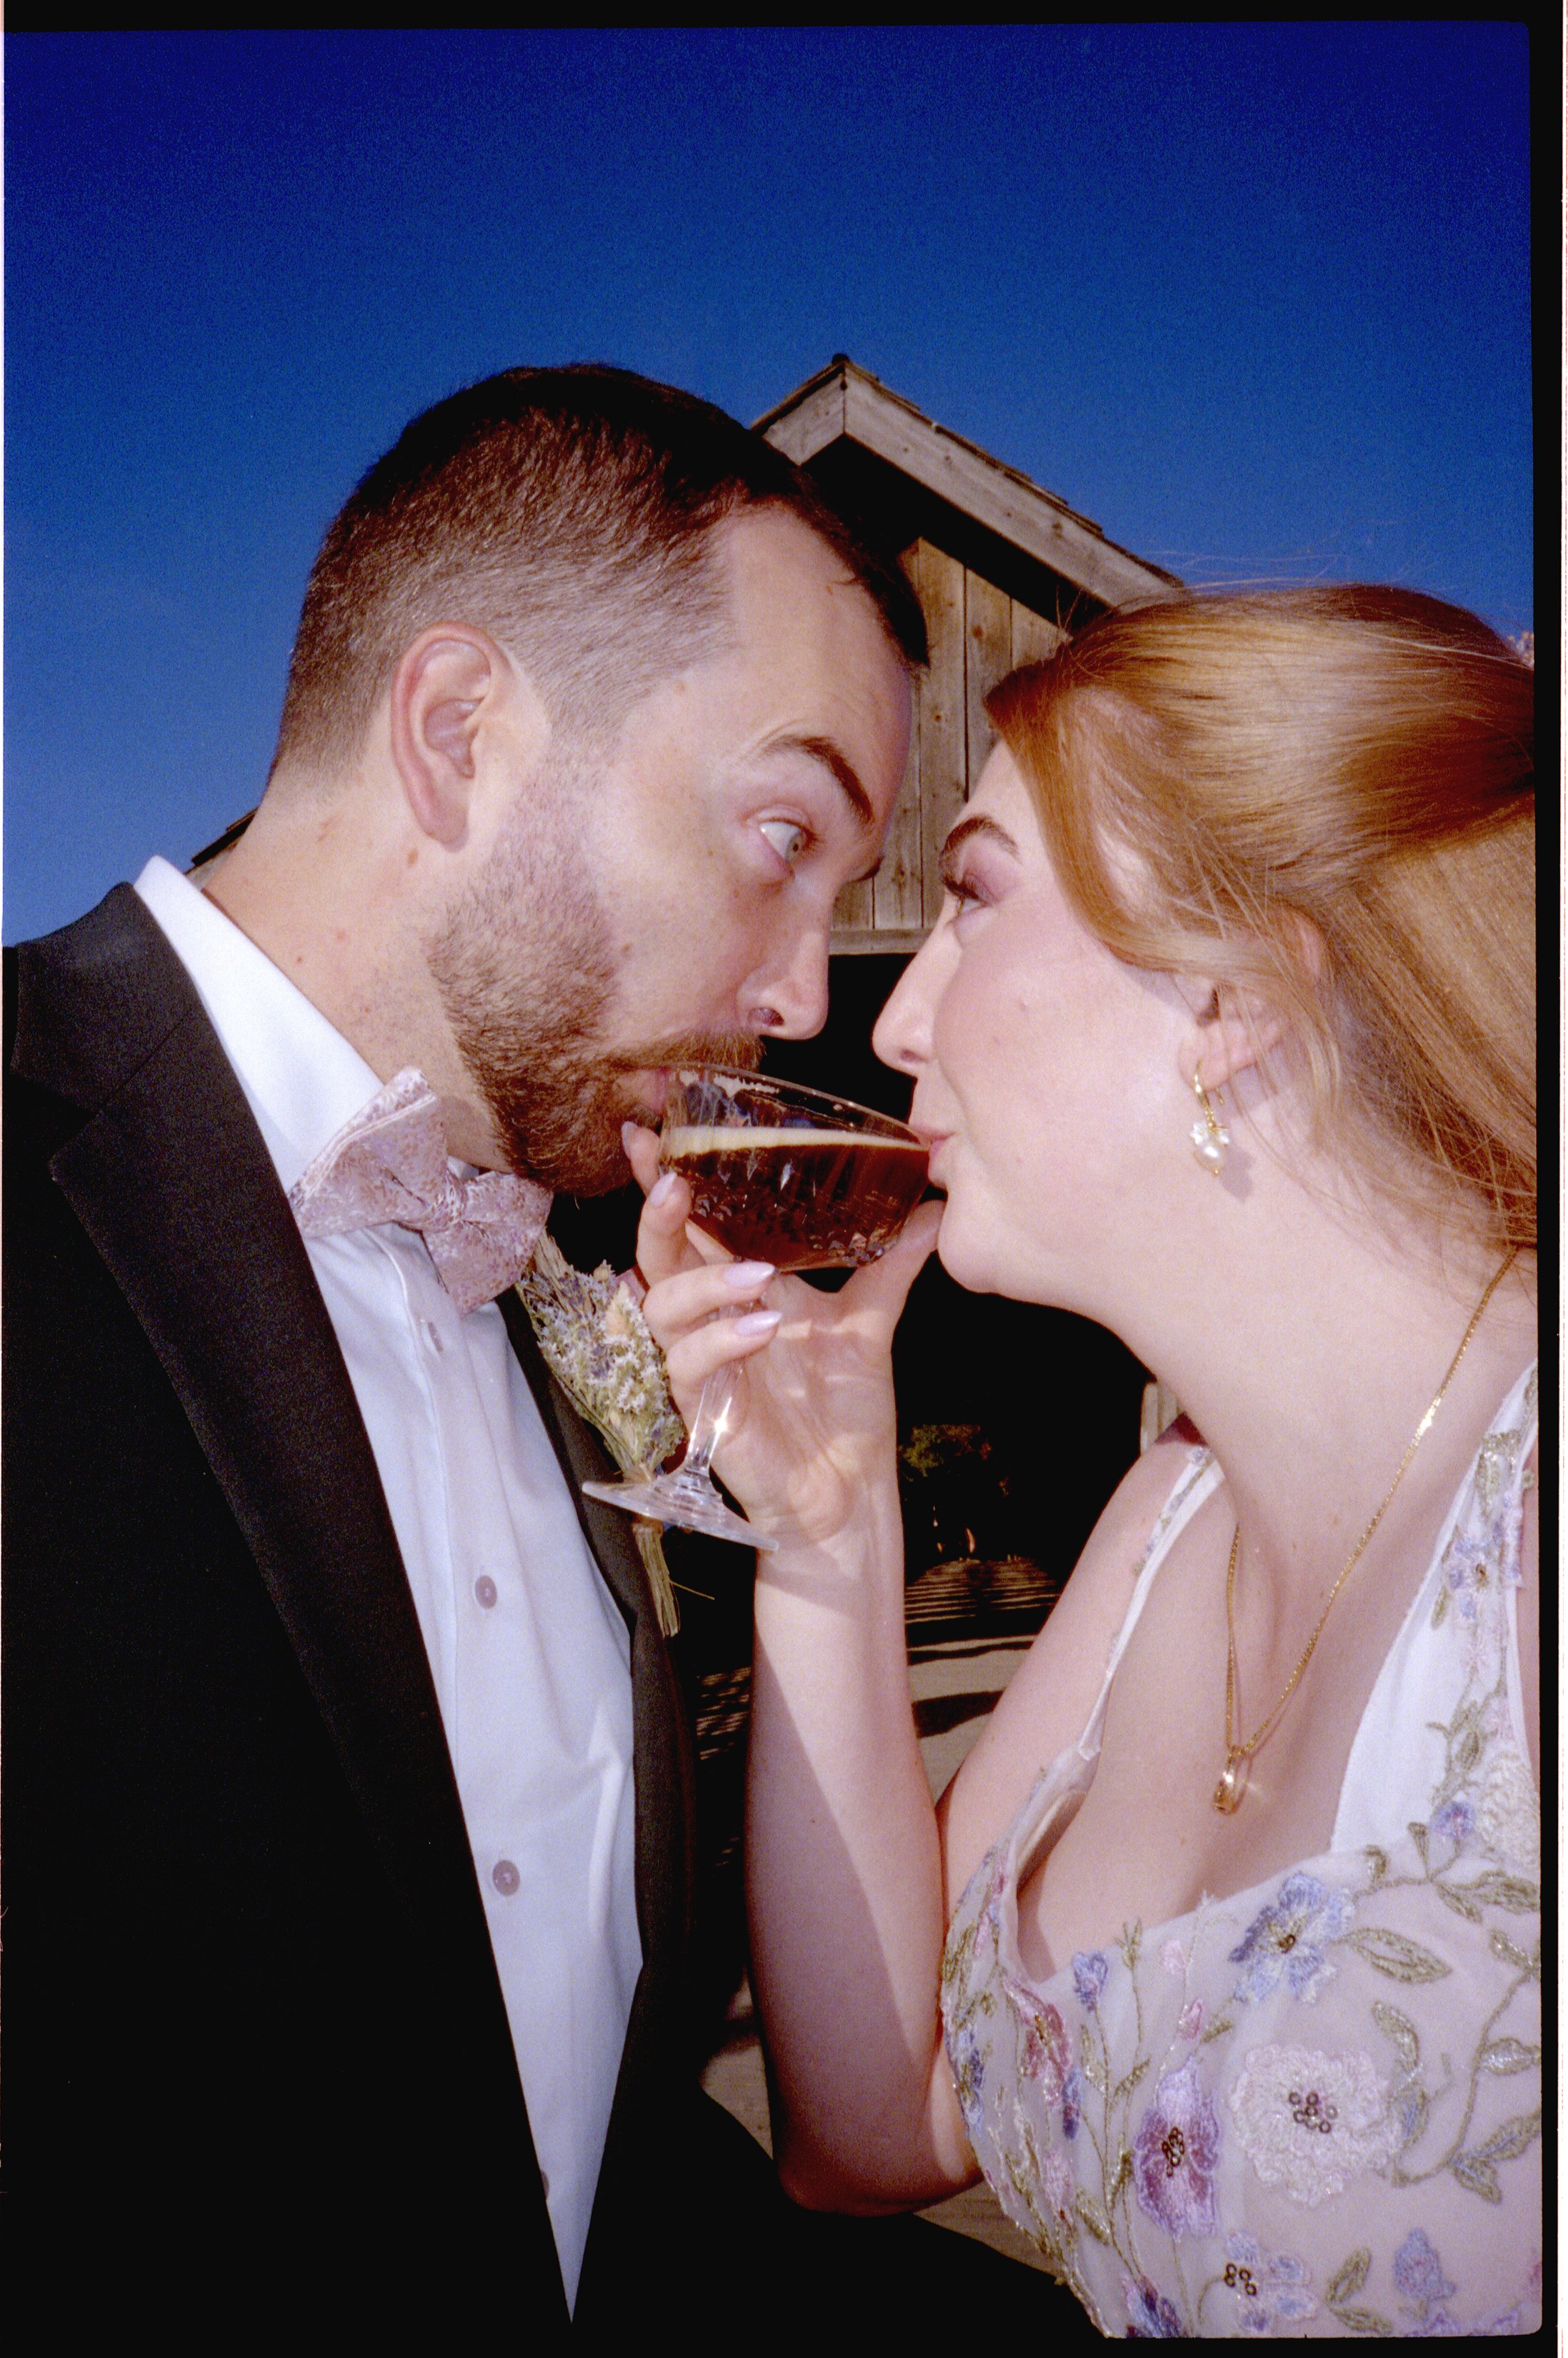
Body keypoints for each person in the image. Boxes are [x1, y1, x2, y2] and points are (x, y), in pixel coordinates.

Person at [4, 364, 952, 2319]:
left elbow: (578, 2102)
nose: (804, 992)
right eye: (782, 833)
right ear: (456, 735)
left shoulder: (564, 1300)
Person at [631, 587, 1539, 2337]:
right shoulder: (1162, 1530)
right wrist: (825, 1529)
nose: (892, 1024)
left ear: (1233, 995)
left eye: (972, 898)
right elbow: (867, 2132)